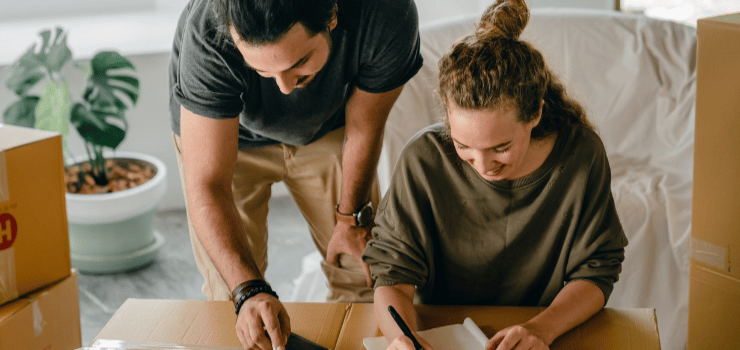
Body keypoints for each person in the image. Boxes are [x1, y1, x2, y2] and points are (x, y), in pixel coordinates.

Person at [361, 1, 628, 349]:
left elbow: (597, 270)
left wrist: (541, 329)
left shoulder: (581, 155)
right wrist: (402, 338)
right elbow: (392, 277)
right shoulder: (423, 159)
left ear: (534, 114)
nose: (484, 166)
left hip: (545, 332)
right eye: (463, 147)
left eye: (500, 147)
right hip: (440, 332)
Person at [167, 0, 422, 349]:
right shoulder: (208, 34)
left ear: (331, 16)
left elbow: (365, 126)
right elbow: (208, 185)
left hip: (331, 128)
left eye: (300, 62)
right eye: (262, 70)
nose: (284, 88)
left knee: (362, 275)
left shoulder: (386, 12)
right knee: (232, 299)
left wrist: (350, 219)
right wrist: (249, 291)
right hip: (227, 138)